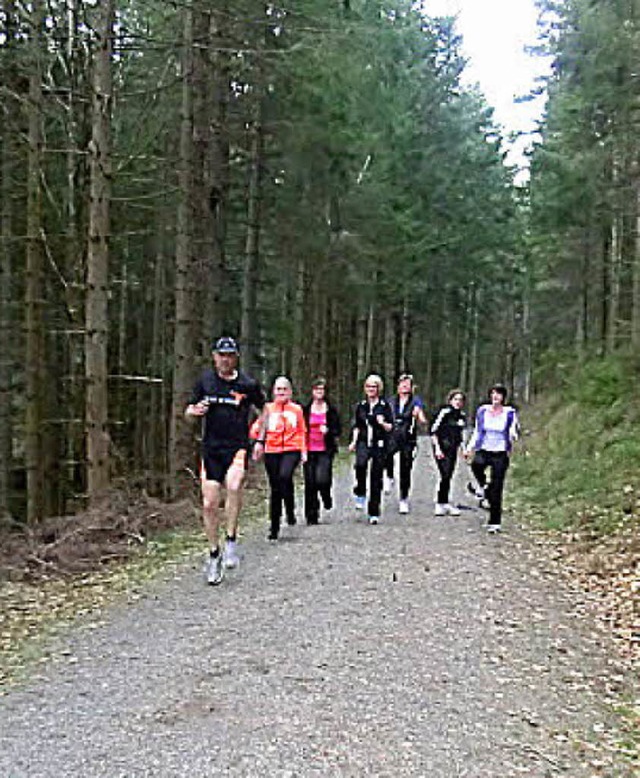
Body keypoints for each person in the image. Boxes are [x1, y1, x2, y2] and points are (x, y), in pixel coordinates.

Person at [185, 336, 266, 585]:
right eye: (221, 355)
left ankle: (231, 539)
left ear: (236, 358)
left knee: (233, 485)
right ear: (214, 356)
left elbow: (266, 410)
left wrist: (260, 439)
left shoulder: (247, 384)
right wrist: (193, 412)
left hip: (237, 447)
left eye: (230, 355)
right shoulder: (205, 382)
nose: (225, 360)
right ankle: (214, 553)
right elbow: (188, 412)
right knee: (209, 503)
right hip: (211, 449)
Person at [252, 376, 307, 541]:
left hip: (292, 449)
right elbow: (258, 428)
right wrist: (257, 441)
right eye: (278, 389)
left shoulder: (296, 410)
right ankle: (274, 527)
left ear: (290, 392)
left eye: (284, 389)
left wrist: (303, 450)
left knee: (285, 476)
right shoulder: (268, 409)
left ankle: (290, 508)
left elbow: (301, 431)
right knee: (275, 487)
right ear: (273, 391)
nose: (281, 392)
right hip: (272, 450)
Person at [464, 383, 519, 533]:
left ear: (503, 398)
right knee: (476, 465)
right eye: (493, 394)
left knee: (497, 487)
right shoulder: (483, 411)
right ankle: (483, 487)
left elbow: (513, 429)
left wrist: (513, 436)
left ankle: (495, 522)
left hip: (500, 453)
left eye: (499, 394)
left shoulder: (509, 413)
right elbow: (477, 431)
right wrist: (469, 448)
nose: (495, 397)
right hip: (484, 449)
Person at [348, 374, 394, 524]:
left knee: (376, 477)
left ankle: (374, 511)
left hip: (379, 443)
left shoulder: (385, 406)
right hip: (363, 441)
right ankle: (360, 491)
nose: (371, 389)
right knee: (360, 465)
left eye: (374, 387)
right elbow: (357, 425)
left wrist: (383, 423)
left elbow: (391, 427)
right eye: (368, 386)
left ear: (378, 389)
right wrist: (353, 442)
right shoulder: (361, 405)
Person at [384, 373, 427, 514]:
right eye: (402, 384)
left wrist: (418, 415)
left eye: (407, 384)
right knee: (386, 454)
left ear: (411, 387)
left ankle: (403, 498)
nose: (404, 387)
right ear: (398, 386)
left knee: (405, 468)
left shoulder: (416, 401)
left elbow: (422, 420)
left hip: (408, 437)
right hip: (393, 435)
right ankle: (389, 476)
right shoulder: (390, 401)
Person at [302, 378, 341, 525]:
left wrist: (328, 431)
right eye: (316, 389)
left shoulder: (331, 410)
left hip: (325, 449)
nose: (319, 392)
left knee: (322, 479)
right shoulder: (305, 410)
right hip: (309, 449)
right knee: (310, 482)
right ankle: (311, 515)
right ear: (312, 392)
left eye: (322, 389)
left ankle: (326, 496)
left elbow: (338, 430)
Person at [430, 388, 467, 516]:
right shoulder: (444, 412)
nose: (458, 402)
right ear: (450, 400)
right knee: (444, 474)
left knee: (449, 474)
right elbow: (433, 431)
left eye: (460, 400)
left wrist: (464, 449)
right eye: (455, 399)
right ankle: (439, 503)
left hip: (453, 449)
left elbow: (460, 435)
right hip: (441, 447)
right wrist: (437, 448)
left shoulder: (462, 416)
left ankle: (445, 502)